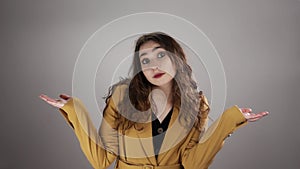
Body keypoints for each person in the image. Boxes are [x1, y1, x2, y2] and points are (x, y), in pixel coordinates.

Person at [39, 32, 268, 169]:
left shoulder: (197, 104)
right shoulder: (122, 97)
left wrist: (229, 120)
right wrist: (75, 110)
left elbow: (193, 164)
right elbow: (101, 159)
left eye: (160, 55)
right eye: (145, 60)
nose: (153, 65)